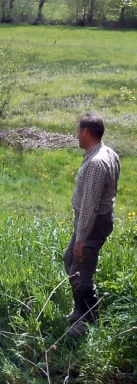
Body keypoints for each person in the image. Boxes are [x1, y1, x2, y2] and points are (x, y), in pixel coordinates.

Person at [64, 112, 120, 336]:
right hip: (95, 221)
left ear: (86, 132)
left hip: (92, 223)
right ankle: (82, 308)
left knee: (80, 273)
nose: (76, 135)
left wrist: (81, 239)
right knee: (70, 261)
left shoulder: (96, 163)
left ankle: (86, 321)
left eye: (78, 131)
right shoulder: (108, 153)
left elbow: (90, 206)